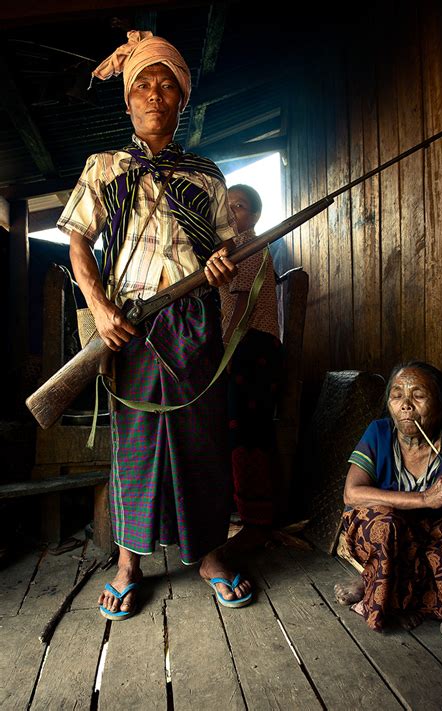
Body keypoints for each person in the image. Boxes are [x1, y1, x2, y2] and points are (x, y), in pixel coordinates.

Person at [57, 30, 252, 619]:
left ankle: (211, 554)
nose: (155, 93)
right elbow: (78, 243)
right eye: (143, 83)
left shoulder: (206, 174)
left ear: (181, 100)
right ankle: (129, 563)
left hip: (194, 322)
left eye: (167, 84)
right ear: (128, 100)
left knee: (203, 441)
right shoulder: (104, 167)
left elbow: (225, 249)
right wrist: (103, 308)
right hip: (130, 322)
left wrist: (221, 265)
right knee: (137, 444)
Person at [334, 361, 442, 632]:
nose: (406, 405)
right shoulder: (379, 433)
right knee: (385, 524)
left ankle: (383, 588)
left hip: (432, 540)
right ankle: (389, 602)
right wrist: (424, 499)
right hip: (388, 535)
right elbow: (351, 493)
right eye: (397, 395)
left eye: (418, 396)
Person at [217, 185, 283, 559]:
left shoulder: (251, 247)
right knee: (236, 429)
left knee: (247, 431)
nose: (231, 212)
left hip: (250, 346)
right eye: (226, 206)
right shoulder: (224, 250)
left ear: (254, 216)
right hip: (240, 347)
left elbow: (241, 307)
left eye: (239, 206)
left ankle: (256, 521)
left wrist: (222, 352)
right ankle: (243, 514)